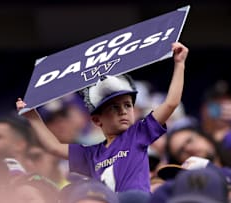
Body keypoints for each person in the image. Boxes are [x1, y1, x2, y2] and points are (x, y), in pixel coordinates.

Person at [16, 42, 188, 193]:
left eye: (127, 105)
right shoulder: (90, 154)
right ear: (97, 121)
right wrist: (33, 117)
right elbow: (54, 148)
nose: (123, 111)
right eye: (114, 108)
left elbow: (171, 103)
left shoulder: (138, 134)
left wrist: (179, 64)